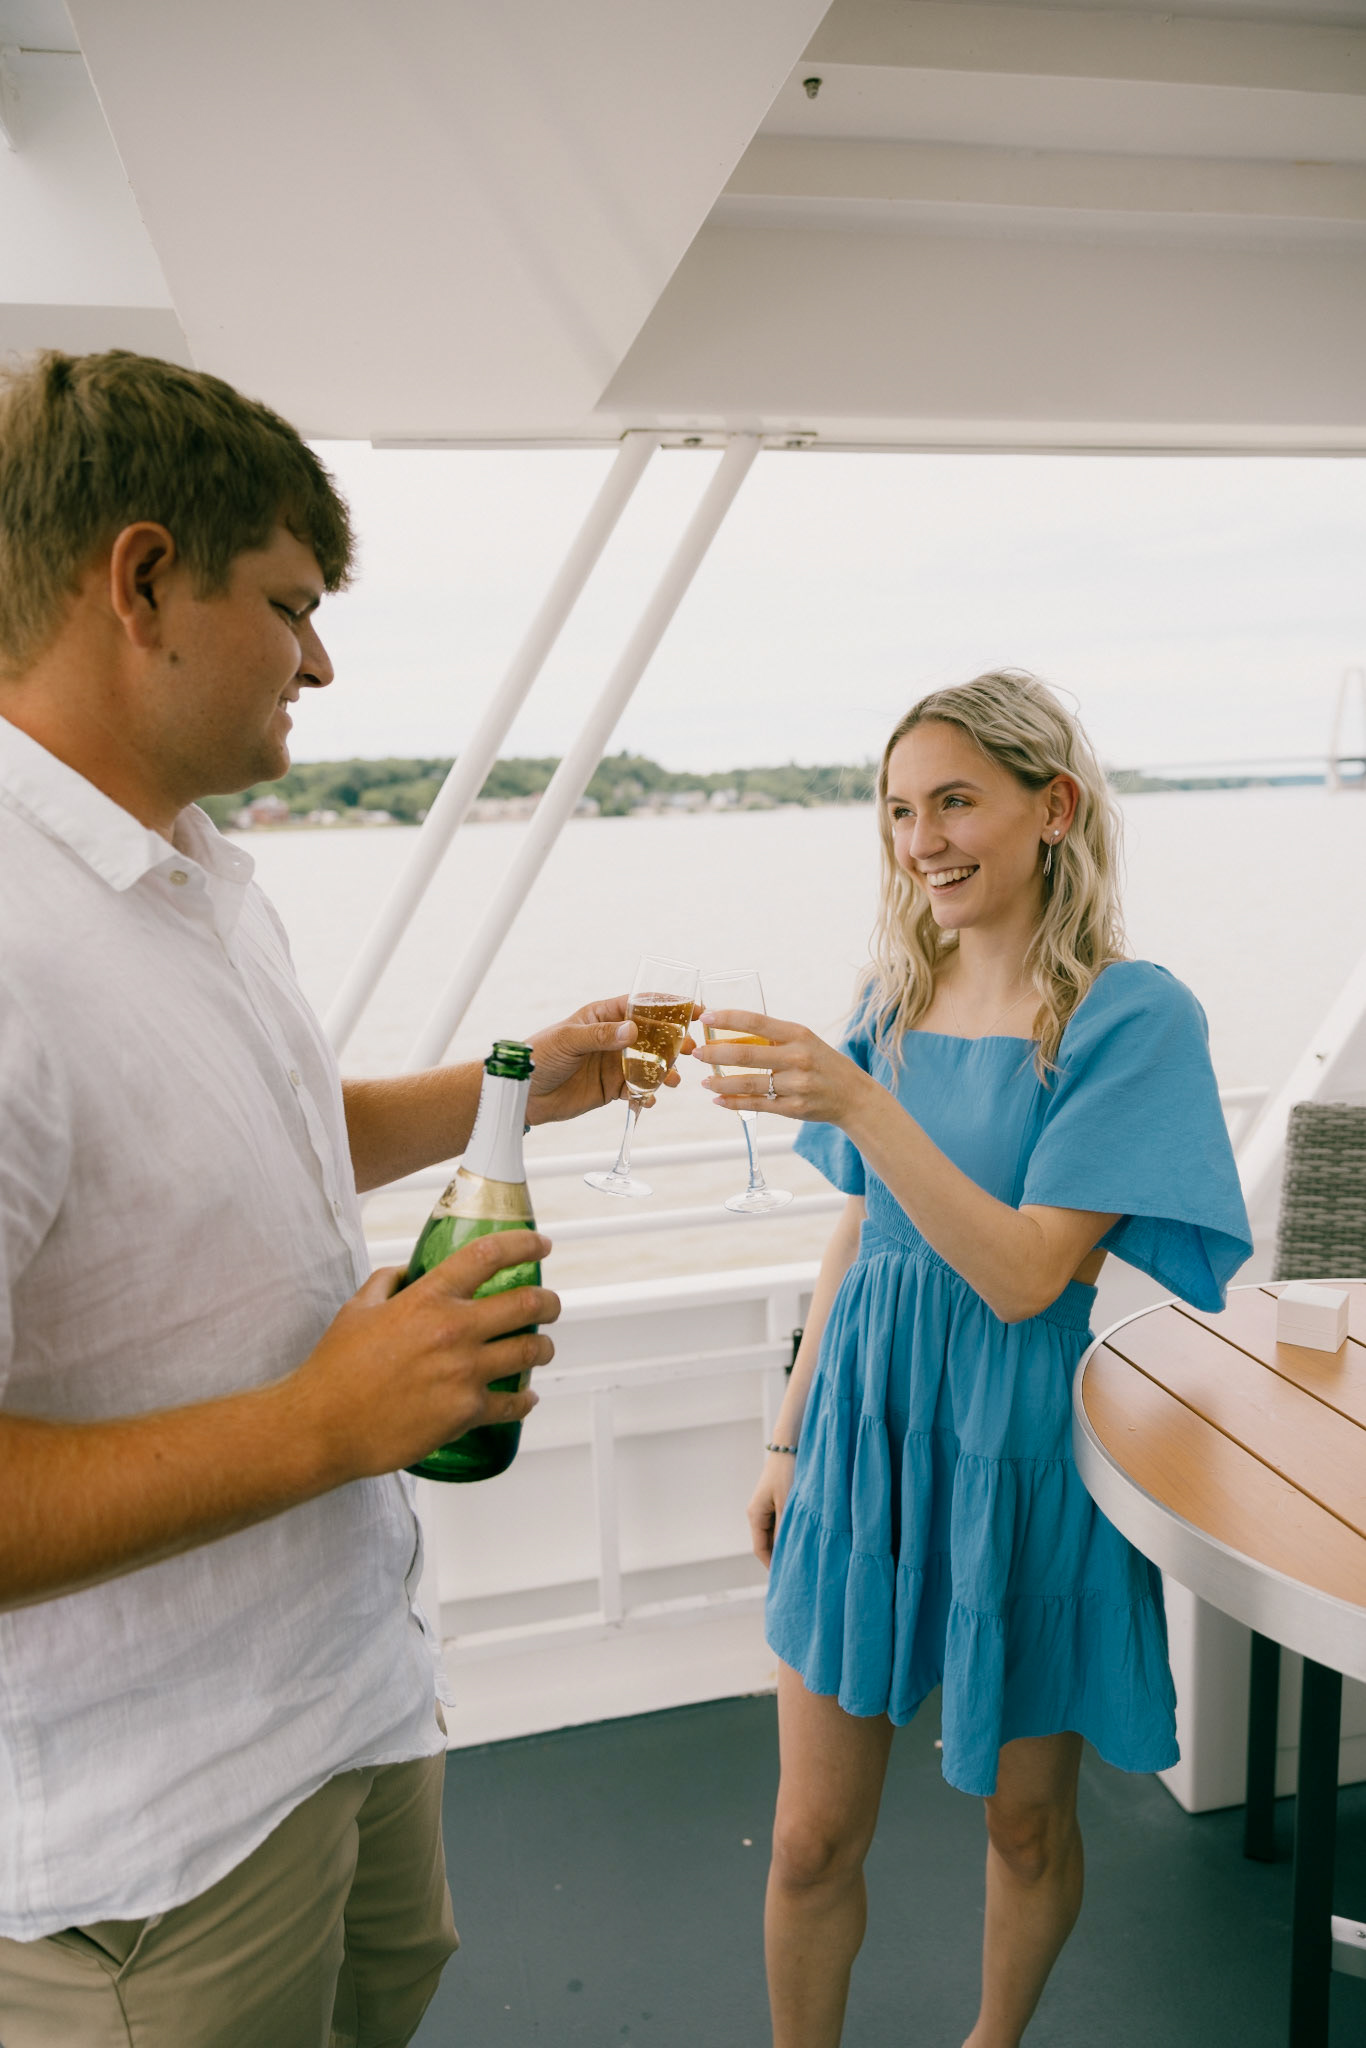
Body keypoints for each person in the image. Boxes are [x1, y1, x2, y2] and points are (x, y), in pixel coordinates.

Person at [0, 349, 677, 2048]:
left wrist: (523, 1083)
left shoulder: (193, 872)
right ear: (142, 581)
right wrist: (328, 1421)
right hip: (155, 1845)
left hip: (344, 1704)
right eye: (290, 604)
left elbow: (259, 1134)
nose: (319, 660)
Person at [693, 672, 1253, 2048]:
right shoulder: (893, 992)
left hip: (1022, 1446)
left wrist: (860, 1103)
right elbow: (857, 1232)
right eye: (898, 811)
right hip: (865, 1432)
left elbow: (1024, 1275)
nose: (920, 841)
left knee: (1022, 1824)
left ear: (1051, 808)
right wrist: (787, 1436)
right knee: (808, 1840)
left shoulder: (1128, 1017)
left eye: (953, 801)